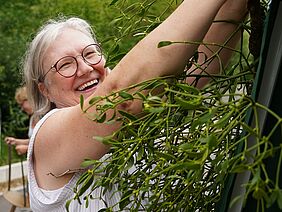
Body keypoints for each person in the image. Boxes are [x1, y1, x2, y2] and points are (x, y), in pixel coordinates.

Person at [23, 0, 248, 211]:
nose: (85, 68)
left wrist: (235, 6)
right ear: (45, 89)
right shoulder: (47, 137)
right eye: (65, 65)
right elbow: (121, 99)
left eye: (90, 53)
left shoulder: (143, 113)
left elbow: (197, 71)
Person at [5, 86, 36, 155]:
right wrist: (16, 141)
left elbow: (49, 143)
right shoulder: (32, 118)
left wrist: (27, 148)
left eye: (22, 104)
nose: (22, 109)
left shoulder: (43, 117)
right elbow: (33, 141)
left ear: (30, 99)